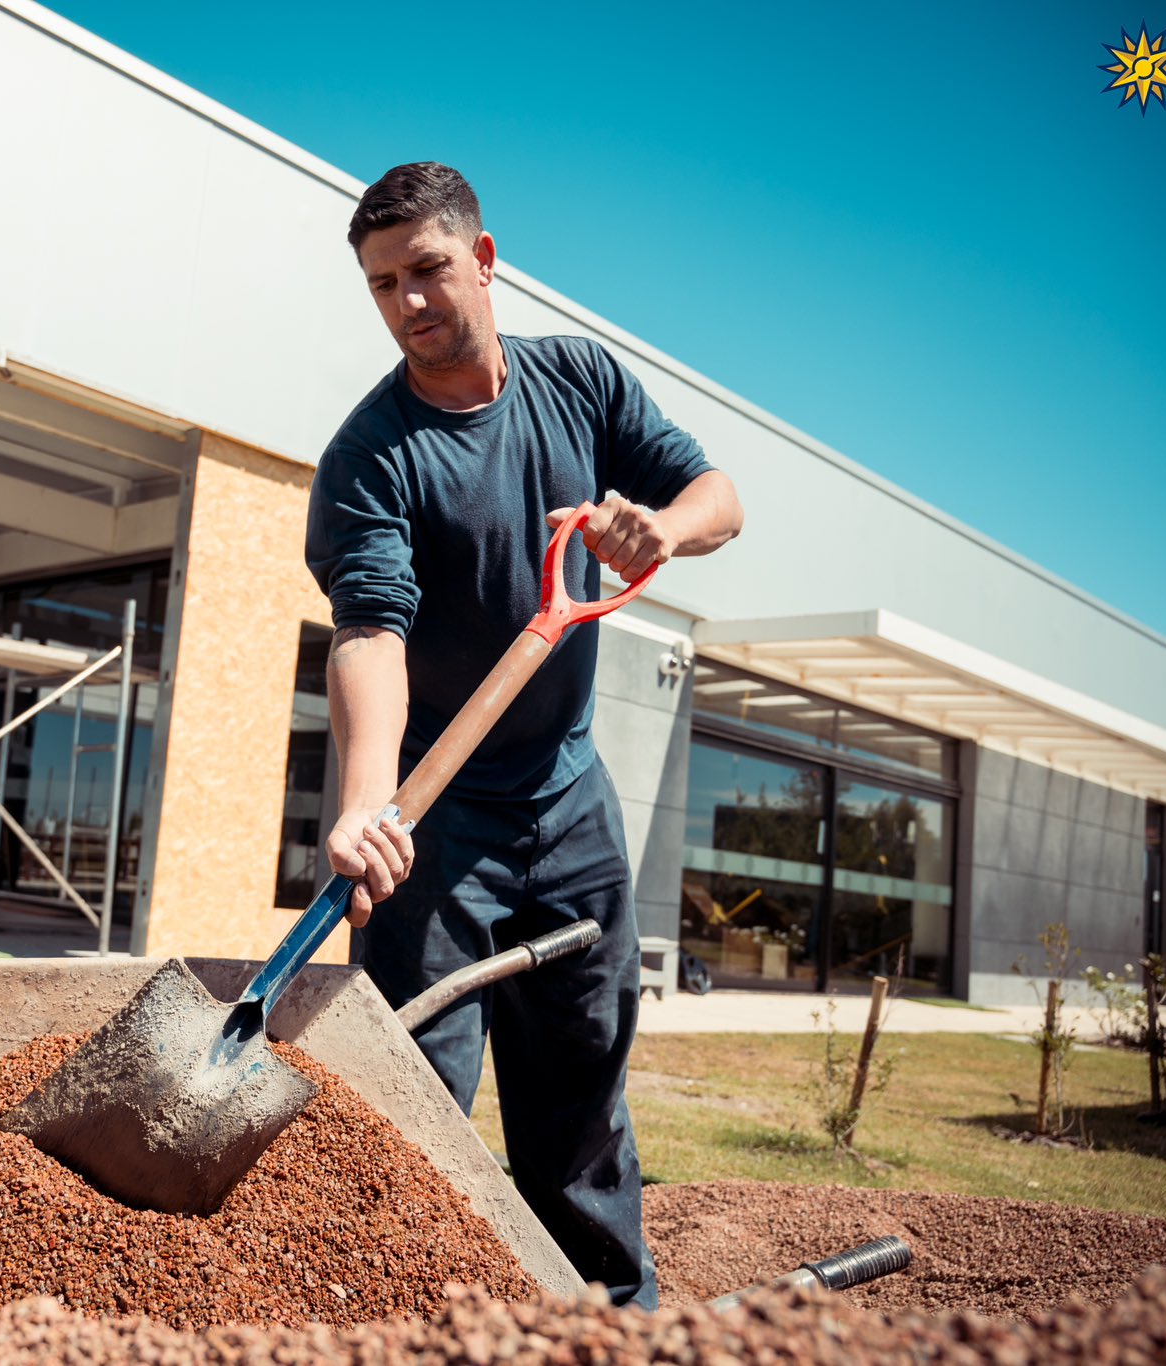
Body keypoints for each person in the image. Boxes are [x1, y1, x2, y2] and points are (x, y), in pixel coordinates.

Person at [305, 163, 743, 1308]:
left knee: (584, 1087)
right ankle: (408, 1321)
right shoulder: (370, 457)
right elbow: (370, 635)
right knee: (413, 1098)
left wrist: (658, 532)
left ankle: (606, 1313)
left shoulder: (576, 380)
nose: (407, 301)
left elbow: (715, 496)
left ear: (484, 258)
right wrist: (366, 798)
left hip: (567, 795)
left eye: (427, 269)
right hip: (435, 826)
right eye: (381, 283)